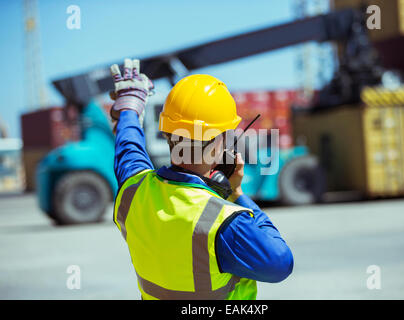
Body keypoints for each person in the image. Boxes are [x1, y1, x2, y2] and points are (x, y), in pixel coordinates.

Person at [110, 58, 293, 300]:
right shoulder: (225, 223)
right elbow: (281, 263)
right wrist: (238, 195)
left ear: (166, 133)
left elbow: (128, 147)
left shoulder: (134, 191)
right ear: (219, 143)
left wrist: (129, 109)